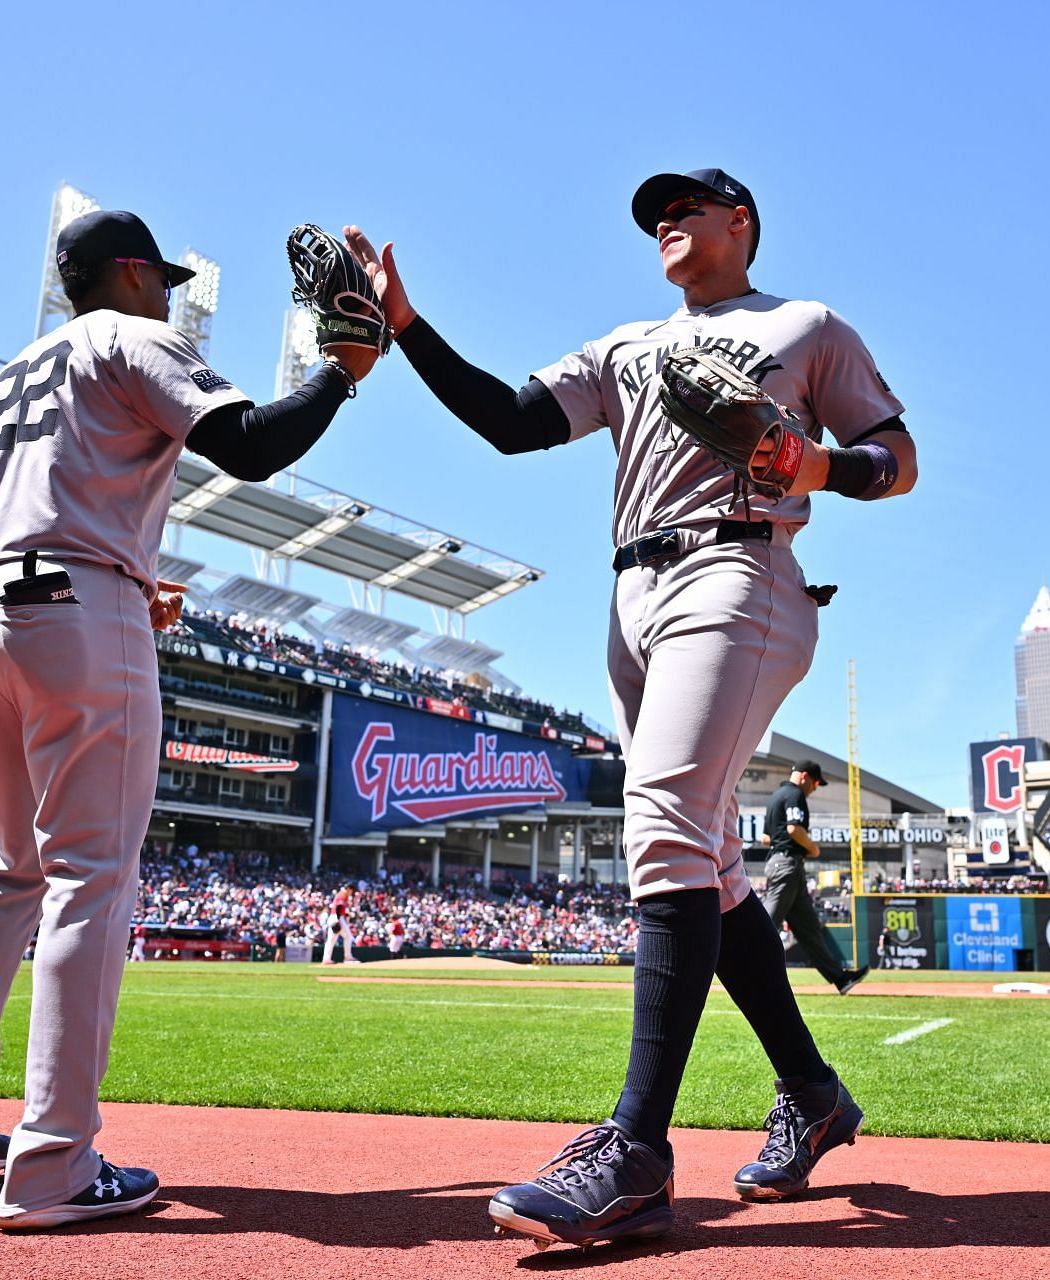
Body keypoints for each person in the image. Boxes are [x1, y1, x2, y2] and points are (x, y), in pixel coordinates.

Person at [346, 164, 917, 1250]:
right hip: (632, 590)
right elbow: (511, 422)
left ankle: (637, 1152)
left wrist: (819, 462)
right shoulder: (625, 346)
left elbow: (901, 459)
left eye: (686, 203)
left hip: (741, 568)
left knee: (657, 816)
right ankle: (813, 1091)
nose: (663, 218)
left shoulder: (807, 324)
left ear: (740, 221)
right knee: (707, 855)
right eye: (653, 211)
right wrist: (410, 327)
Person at [0, 209, 379, 1231]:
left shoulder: (2, 379)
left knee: (8, 872)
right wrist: (342, 373)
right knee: (89, 877)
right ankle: (55, 1162)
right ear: (126, 272)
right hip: (70, 600)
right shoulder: (129, 333)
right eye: (160, 275)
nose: (171, 293)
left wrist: (102, 566)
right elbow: (247, 445)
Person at [761, 761, 868, 993]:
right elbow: (793, 829)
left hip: (787, 865)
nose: (815, 788)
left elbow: (765, 838)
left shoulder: (776, 796)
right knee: (765, 924)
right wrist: (813, 848)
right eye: (816, 782)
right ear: (805, 777)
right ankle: (734, 966)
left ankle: (840, 978)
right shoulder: (794, 794)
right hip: (786, 865)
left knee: (809, 929)